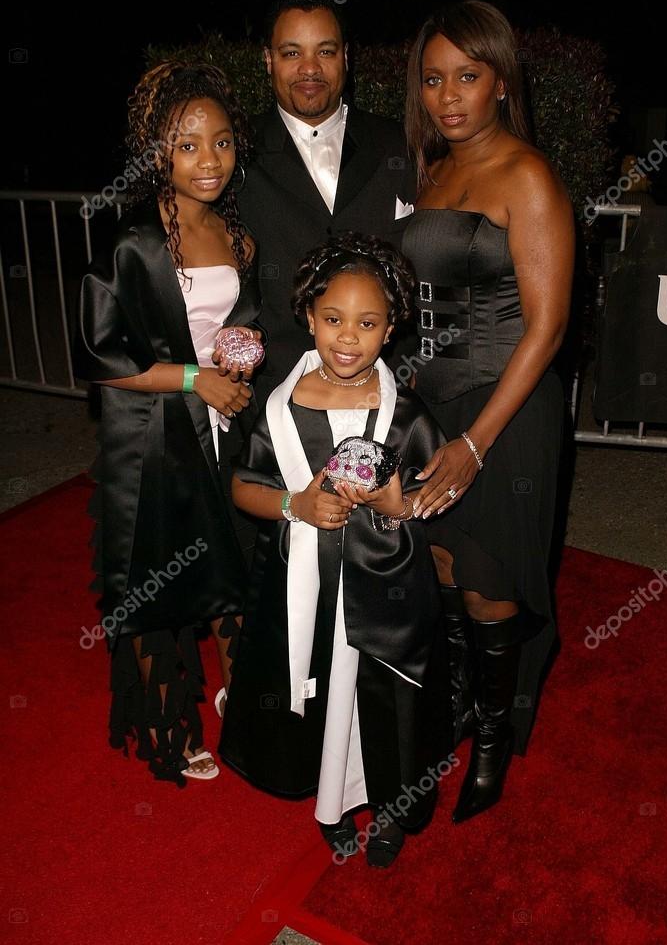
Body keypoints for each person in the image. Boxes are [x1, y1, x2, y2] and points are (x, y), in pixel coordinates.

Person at [219, 233, 451, 867]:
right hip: (308, 585)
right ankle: (333, 803)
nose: (347, 338)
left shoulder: (403, 411)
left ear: (391, 327)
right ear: (309, 317)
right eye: (333, 320)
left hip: (387, 584)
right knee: (325, 693)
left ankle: (392, 806)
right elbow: (242, 485)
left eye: (367, 323)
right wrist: (298, 505)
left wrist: (394, 504)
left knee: (383, 699)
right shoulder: (281, 409)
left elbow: (432, 496)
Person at [402, 1, 575, 823]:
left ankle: (497, 736)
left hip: (507, 407)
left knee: (491, 581)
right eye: (433, 79)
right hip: (433, 403)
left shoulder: (526, 174)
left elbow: (546, 327)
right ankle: (468, 704)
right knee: (442, 566)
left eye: (467, 76)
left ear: (500, 80)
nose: (448, 95)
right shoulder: (433, 170)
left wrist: (475, 440)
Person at [74, 61, 263, 785]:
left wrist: (239, 360)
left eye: (220, 142)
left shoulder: (236, 233)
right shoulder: (133, 241)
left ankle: (240, 697)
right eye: (188, 145)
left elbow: (229, 328)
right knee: (157, 576)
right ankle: (165, 724)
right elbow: (99, 357)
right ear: (159, 152)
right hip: (152, 435)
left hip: (221, 428)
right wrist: (197, 380)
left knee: (231, 565)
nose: (208, 160)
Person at [236, 0, 418, 402]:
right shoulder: (236, 152)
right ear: (268, 60)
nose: (309, 68)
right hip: (273, 392)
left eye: (325, 51)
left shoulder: (398, 144)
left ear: (346, 57)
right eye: (291, 52)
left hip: (386, 388)